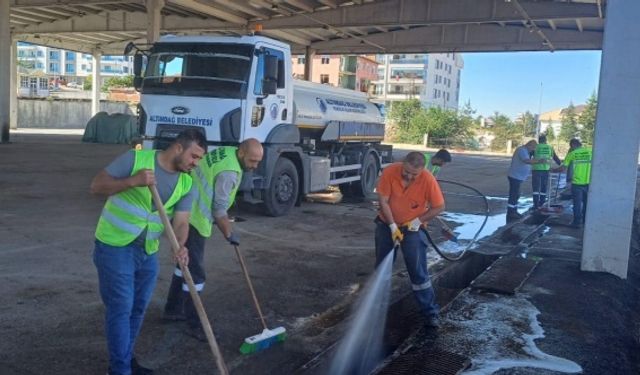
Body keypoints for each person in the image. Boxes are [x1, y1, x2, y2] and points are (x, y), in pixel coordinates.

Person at [90, 129, 206, 375]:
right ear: (178, 148)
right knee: (121, 307)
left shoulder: (187, 182)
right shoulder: (136, 160)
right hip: (115, 245)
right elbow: (97, 186)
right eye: (194, 156)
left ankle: (124, 361)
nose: (195, 163)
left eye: (199, 159)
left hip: (147, 251)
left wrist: (180, 245)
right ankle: (120, 370)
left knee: (137, 308)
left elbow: (182, 222)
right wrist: (132, 181)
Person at [162, 139, 264, 341]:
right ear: (242, 153)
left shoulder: (226, 152)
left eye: (258, 161)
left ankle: (173, 309)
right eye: (253, 161)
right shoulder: (230, 173)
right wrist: (229, 234)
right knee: (196, 274)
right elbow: (219, 210)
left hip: (187, 208)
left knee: (184, 265)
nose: (255, 166)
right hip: (195, 218)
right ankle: (195, 323)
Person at [375, 151, 445, 329]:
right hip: (386, 225)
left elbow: (439, 206)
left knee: (418, 271)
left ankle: (430, 312)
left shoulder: (428, 179)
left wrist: (417, 221)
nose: (409, 176)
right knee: (382, 268)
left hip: (412, 229)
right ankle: (378, 308)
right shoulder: (390, 172)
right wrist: (392, 226)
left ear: (421, 170)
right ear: (403, 163)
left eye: (414, 174)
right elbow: (383, 201)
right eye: (406, 171)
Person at [552, 138, 592, 228]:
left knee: (577, 203)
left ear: (572, 145)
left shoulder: (572, 153)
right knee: (587, 202)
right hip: (589, 182)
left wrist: (553, 170)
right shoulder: (590, 151)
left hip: (577, 183)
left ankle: (577, 222)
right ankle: (586, 221)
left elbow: (563, 168)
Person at [507, 140, 545, 220]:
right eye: (533, 148)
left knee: (516, 194)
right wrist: (539, 161)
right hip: (515, 176)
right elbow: (526, 161)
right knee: (514, 194)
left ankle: (514, 210)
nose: (533, 150)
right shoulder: (522, 150)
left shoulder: (525, 151)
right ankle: (511, 212)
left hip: (518, 177)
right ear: (529, 145)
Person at [531, 134, 562, 209]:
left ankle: (535, 204)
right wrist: (561, 165)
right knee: (543, 186)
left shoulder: (535, 147)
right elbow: (555, 157)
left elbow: (529, 157)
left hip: (536, 169)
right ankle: (542, 202)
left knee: (536, 187)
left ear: (539, 140)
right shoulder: (550, 147)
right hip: (546, 169)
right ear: (545, 140)